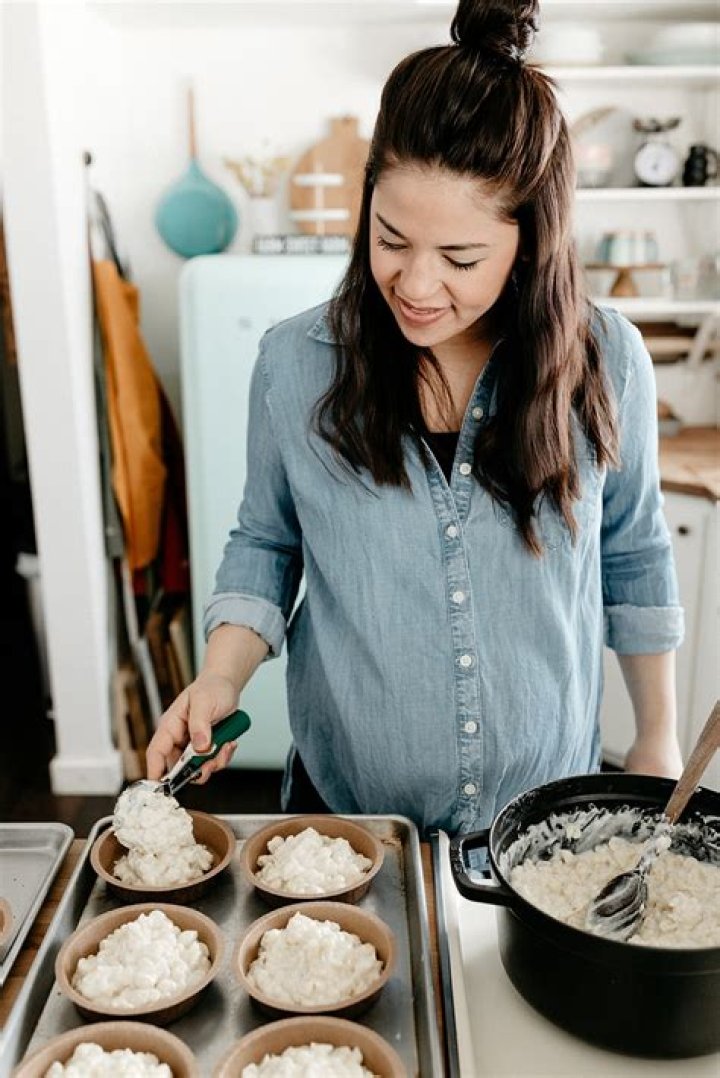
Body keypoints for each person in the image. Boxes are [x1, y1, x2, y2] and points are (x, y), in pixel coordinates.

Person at [146, 0, 684, 838]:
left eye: (461, 258)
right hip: (345, 818)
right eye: (391, 239)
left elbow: (636, 552)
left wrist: (656, 736)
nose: (417, 285)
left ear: (531, 242)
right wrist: (219, 678)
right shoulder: (296, 363)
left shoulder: (606, 361)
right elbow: (266, 543)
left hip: (543, 818)